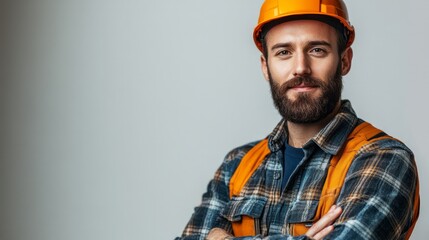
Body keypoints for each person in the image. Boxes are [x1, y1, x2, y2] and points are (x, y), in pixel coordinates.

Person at [176, 0, 420, 239]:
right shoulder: (237, 166)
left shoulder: (385, 158)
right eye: (284, 52)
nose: (301, 67)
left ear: (344, 60)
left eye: (317, 50)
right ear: (265, 66)